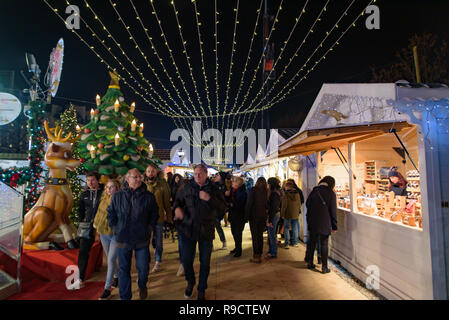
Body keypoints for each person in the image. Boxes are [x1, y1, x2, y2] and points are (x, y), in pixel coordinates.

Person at [173, 164, 226, 300]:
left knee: (205, 262)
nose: (197, 176)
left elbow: (222, 207)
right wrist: (177, 209)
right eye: (195, 173)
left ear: (206, 174)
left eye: (200, 174)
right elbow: (177, 202)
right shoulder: (187, 187)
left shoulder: (214, 189)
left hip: (206, 230)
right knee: (186, 260)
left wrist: (209, 199)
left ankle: (202, 288)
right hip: (187, 228)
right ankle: (190, 283)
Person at [107, 168, 159, 300]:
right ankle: (125, 296)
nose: (138, 179)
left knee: (143, 268)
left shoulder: (149, 196)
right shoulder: (117, 196)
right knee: (124, 270)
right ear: (127, 179)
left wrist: (149, 228)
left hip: (141, 238)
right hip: (123, 239)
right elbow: (111, 214)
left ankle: (142, 285)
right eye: (135, 177)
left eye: (139, 177)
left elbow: (154, 215)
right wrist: (116, 228)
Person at [74, 171, 104, 289]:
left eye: (93, 180)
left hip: (101, 226)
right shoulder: (84, 194)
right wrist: (81, 222)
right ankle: (81, 278)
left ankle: (115, 277)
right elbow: (80, 210)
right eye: (88, 180)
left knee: (109, 253)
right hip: (87, 227)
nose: (90, 182)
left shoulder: (104, 193)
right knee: (83, 251)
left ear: (98, 180)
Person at [93, 178, 120, 299]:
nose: (109, 189)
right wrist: (96, 229)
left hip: (115, 234)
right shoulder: (103, 199)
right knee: (110, 258)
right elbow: (98, 214)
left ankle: (107, 288)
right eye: (107, 187)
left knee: (110, 260)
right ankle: (117, 276)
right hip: (103, 233)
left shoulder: (119, 200)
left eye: (112, 187)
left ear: (117, 188)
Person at [305, 176, 338, 274]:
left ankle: (310, 262)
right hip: (324, 222)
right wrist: (334, 225)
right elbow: (333, 211)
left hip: (313, 221)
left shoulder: (314, 191)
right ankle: (324, 267)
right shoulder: (331, 193)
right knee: (324, 244)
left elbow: (307, 204)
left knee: (312, 243)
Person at [144, 164, 173, 273]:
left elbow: (166, 202)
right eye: (148, 171)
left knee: (159, 241)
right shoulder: (143, 185)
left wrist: (169, 217)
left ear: (156, 172)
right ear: (146, 173)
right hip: (145, 219)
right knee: (145, 241)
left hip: (158, 218)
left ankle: (157, 260)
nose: (150, 173)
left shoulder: (162, 185)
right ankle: (146, 261)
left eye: (152, 171)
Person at [245, 177, 268, 264]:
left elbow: (249, 203)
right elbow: (266, 204)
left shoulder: (253, 190)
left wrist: (246, 216)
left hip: (254, 216)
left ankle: (256, 256)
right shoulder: (265, 191)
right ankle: (260, 254)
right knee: (260, 235)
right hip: (262, 216)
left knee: (255, 236)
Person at [171, 174, 186, 276]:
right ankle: (183, 263)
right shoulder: (176, 190)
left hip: (191, 223)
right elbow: (176, 203)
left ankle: (185, 263)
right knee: (181, 243)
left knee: (186, 244)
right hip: (181, 221)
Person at [228, 176, 247, 258]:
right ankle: (237, 247)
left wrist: (232, 204)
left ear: (237, 184)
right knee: (234, 232)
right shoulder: (233, 190)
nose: (232, 183)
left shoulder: (243, 192)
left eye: (233, 182)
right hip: (233, 215)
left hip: (240, 216)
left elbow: (240, 205)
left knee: (238, 234)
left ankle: (239, 250)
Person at [281, 180, 302, 249]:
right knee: (295, 228)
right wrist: (298, 211)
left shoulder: (286, 194)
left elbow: (284, 205)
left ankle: (287, 243)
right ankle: (295, 242)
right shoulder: (297, 194)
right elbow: (299, 203)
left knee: (286, 228)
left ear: (287, 187)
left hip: (287, 213)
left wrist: (282, 214)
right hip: (295, 213)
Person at [266, 177, 281, 259]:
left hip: (274, 215)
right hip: (275, 214)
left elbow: (273, 208)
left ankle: (273, 252)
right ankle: (271, 250)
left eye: (268, 183)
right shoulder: (276, 192)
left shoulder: (274, 193)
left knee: (272, 235)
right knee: (271, 234)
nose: (267, 185)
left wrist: (270, 220)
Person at [212, 172, 229, 250]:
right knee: (212, 225)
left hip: (218, 209)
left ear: (221, 177)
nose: (216, 176)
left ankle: (223, 242)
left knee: (216, 225)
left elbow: (225, 197)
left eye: (217, 175)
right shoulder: (212, 184)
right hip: (212, 208)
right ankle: (211, 244)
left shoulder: (223, 186)